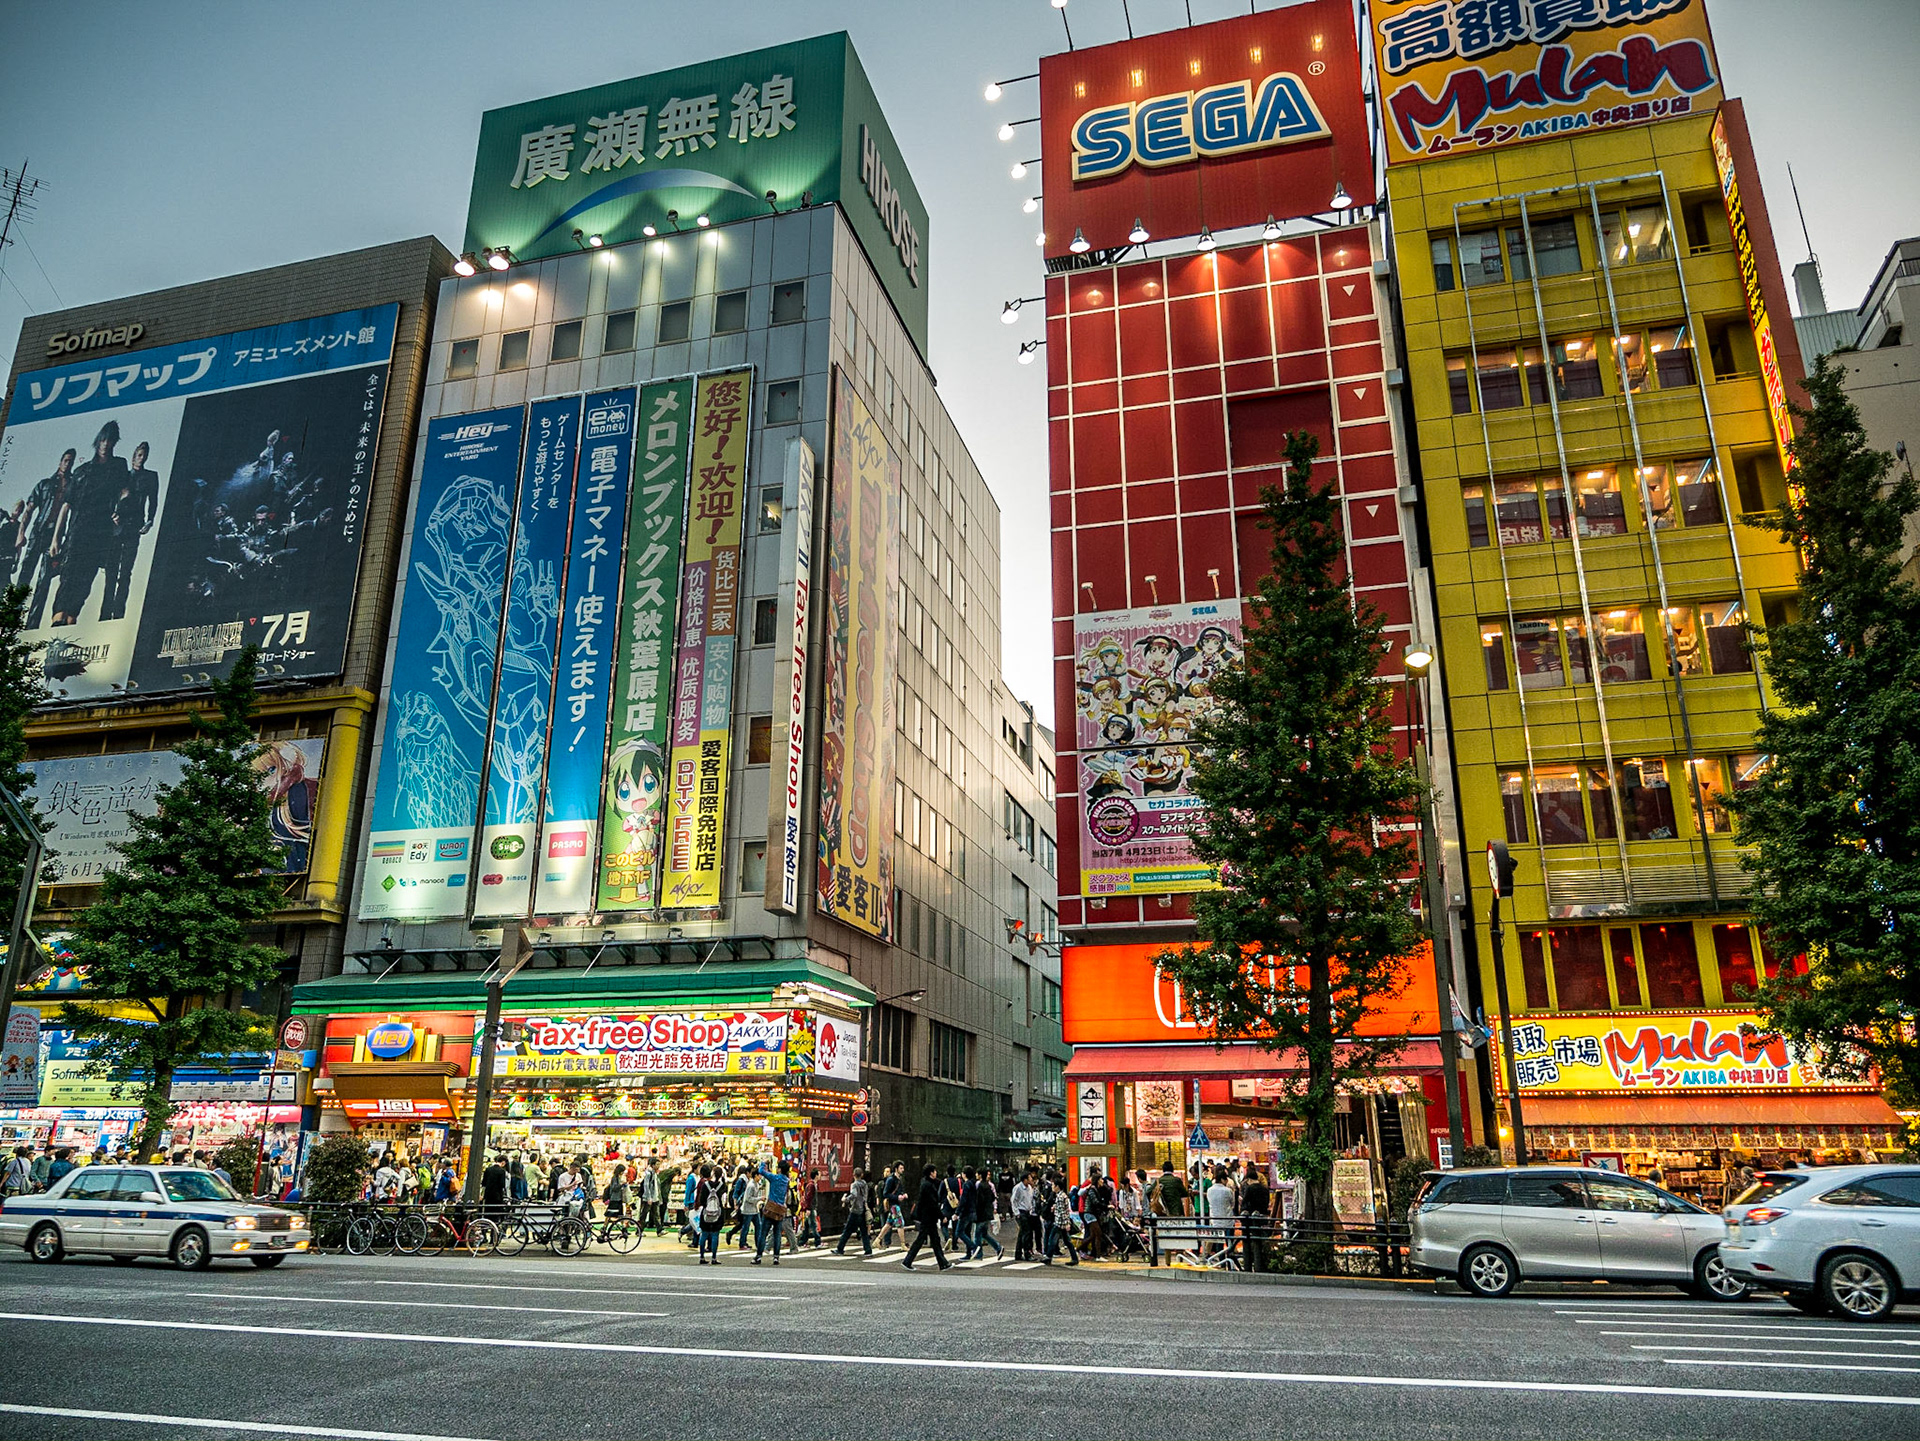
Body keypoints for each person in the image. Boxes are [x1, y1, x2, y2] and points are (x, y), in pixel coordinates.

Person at [101, 440, 159, 621]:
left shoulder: (151, 476)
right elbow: (109, 498)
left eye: (145, 456)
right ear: (134, 456)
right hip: (117, 526)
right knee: (111, 571)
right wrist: (112, 515)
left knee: (126, 571)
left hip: (135, 526)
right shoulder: (123, 475)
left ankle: (119, 613)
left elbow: (153, 500)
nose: (142, 458)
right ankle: (105, 613)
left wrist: (150, 521)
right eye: (140, 455)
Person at [902, 1164, 952, 1271]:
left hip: (928, 1217)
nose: (936, 1173)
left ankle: (943, 1263)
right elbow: (933, 1204)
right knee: (923, 1240)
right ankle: (908, 1261)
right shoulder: (928, 1186)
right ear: (931, 1173)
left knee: (934, 1240)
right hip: (928, 1217)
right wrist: (941, 1216)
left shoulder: (926, 1183)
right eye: (934, 1171)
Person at [756, 1159, 792, 1264]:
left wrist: (763, 1163)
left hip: (770, 1209)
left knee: (763, 1233)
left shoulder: (774, 1178)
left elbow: (761, 1171)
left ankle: (758, 1256)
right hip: (780, 1210)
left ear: (779, 1169)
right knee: (777, 1234)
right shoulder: (786, 1181)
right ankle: (776, 1257)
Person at [1240, 1164, 1273, 1274]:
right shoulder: (1264, 1189)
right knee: (1261, 1241)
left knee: (1249, 1241)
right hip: (1262, 1217)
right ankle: (1262, 1264)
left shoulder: (1250, 1188)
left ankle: (1249, 1265)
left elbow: (1245, 1202)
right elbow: (1266, 1203)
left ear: (1249, 1179)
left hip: (1251, 1219)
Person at [1041, 1172, 1078, 1266]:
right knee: (1066, 1241)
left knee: (1052, 1240)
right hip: (1061, 1222)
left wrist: (1066, 1223)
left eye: (1053, 1185)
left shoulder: (1060, 1197)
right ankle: (1074, 1258)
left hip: (1059, 1223)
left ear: (1057, 1186)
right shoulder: (1062, 1195)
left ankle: (1048, 1257)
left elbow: (1063, 1212)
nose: (1052, 1187)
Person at [835, 1169, 874, 1256]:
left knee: (847, 1230)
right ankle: (868, 1250)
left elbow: (854, 1195)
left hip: (855, 1210)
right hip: (863, 1209)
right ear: (862, 1175)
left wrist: (845, 1199)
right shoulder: (864, 1184)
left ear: (853, 1175)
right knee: (864, 1231)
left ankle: (840, 1248)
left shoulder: (854, 1185)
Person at [694, 1165, 724, 1264]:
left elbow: (702, 1200)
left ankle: (702, 1257)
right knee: (715, 1235)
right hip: (718, 1213)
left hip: (706, 1212)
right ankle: (714, 1258)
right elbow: (723, 1200)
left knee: (704, 1234)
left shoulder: (705, 1185)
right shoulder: (722, 1186)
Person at [971, 1167, 1003, 1259]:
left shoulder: (980, 1186)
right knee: (984, 1234)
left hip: (981, 1214)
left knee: (977, 1235)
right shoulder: (988, 1185)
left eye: (977, 1173)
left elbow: (979, 1201)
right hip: (987, 1213)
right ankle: (998, 1247)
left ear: (980, 1175)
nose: (976, 1175)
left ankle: (979, 1254)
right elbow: (993, 1197)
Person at [741, 1165, 771, 1263]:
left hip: (754, 1209)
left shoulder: (756, 1184)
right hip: (748, 1210)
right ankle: (742, 1243)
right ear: (756, 1176)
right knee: (746, 1227)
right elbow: (748, 1198)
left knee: (759, 1226)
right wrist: (759, 1199)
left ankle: (759, 1244)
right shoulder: (751, 1185)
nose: (760, 1177)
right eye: (759, 1175)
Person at [1011, 1169, 1039, 1261]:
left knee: (1022, 1233)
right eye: (1030, 1177)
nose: (1031, 1179)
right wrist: (1016, 1213)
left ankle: (1018, 1253)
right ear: (1025, 1179)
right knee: (1026, 1233)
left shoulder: (1030, 1188)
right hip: (1021, 1212)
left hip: (1027, 1212)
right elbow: (1014, 1200)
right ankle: (1027, 1253)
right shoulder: (1018, 1188)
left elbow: (1029, 1200)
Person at [797, 1168, 822, 1249]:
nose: (820, 1176)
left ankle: (802, 1242)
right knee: (814, 1225)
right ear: (816, 1175)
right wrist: (808, 1208)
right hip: (810, 1208)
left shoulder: (813, 1184)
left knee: (807, 1226)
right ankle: (817, 1242)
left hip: (810, 1207)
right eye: (819, 1174)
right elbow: (808, 1197)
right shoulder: (811, 1185)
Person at [639, 1158, 661, 1232]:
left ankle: (659, 1229)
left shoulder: (655, 1173)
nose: (658, 1166)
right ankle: (639, 1230)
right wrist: (649, 1197)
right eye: (657, 1164)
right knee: (644, 1214)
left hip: (654, 1197)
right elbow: (646, 1185)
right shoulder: (649, 1174)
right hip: (649, 1198)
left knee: (656, 1214)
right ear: (653, 1165)